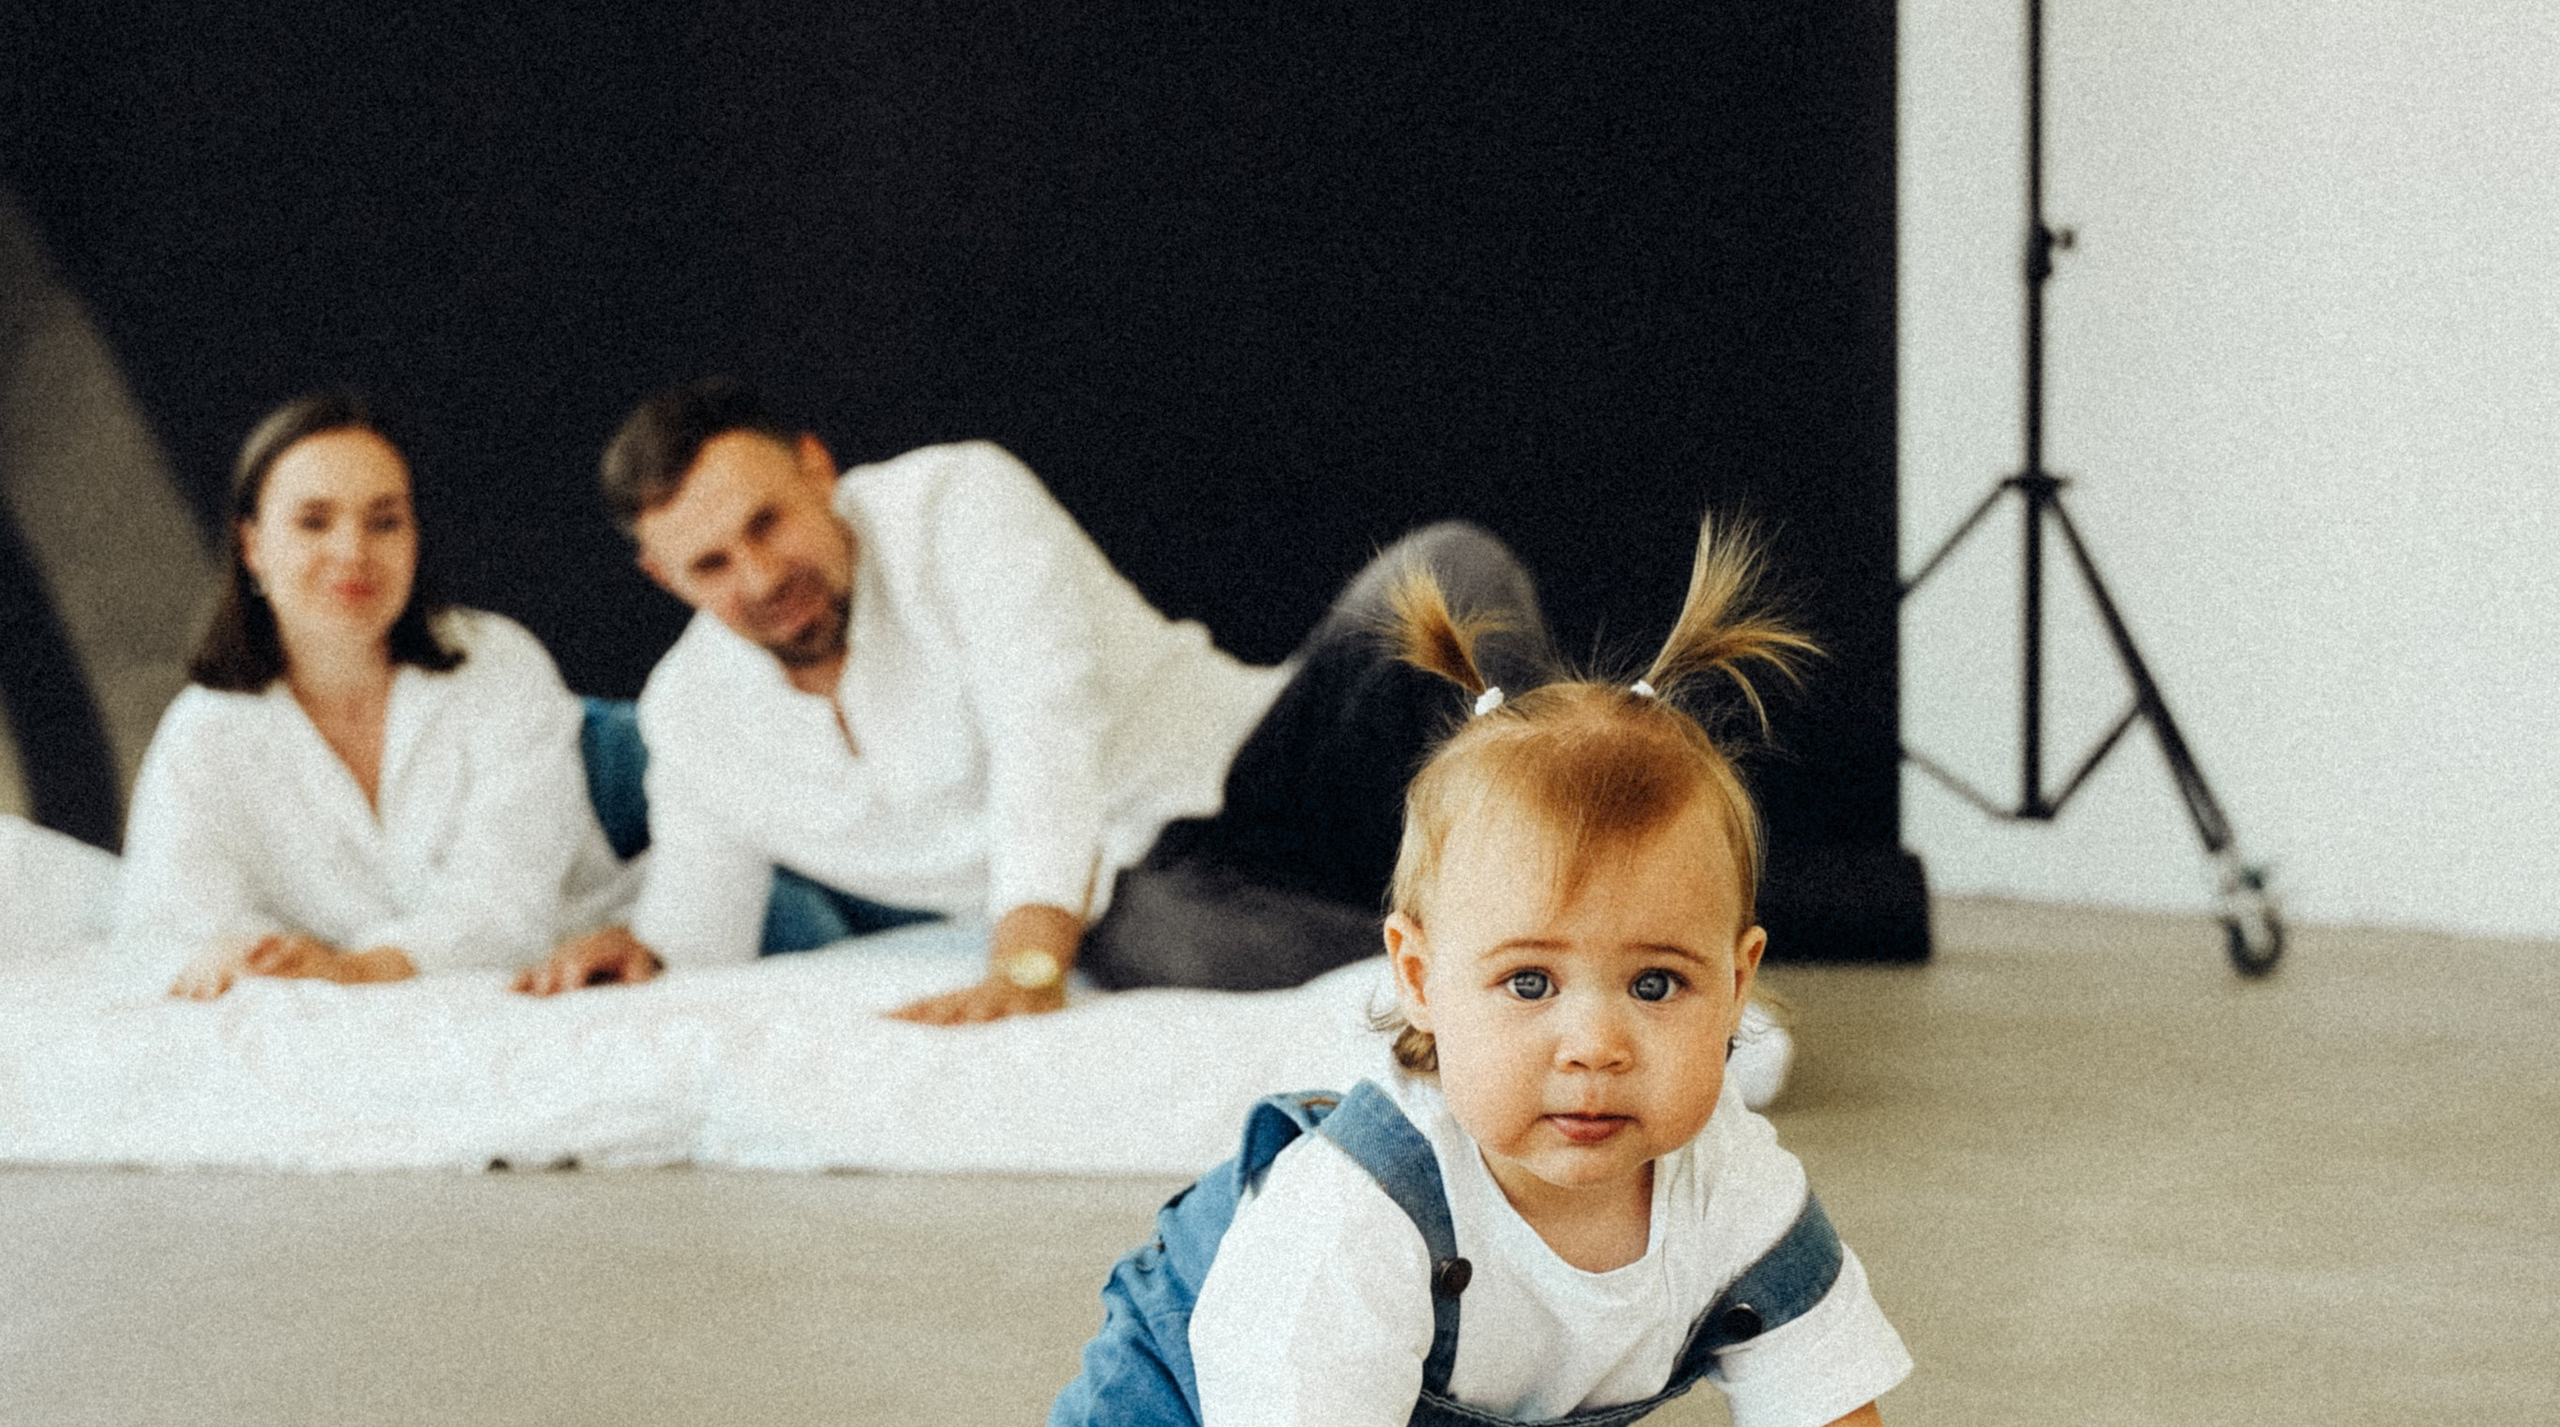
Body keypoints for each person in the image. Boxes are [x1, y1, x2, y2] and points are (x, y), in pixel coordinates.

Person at [841, 521, 2039, 1427]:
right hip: (1199, 1382)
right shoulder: (1363, 1207)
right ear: (1418, 978)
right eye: (1528, 983)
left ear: (1739, 977)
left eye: (1656, 983)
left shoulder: (1740, 1201)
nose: (1593, 1045)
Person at [517, 377, 1553, 1019]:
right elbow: (702, 917)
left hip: (1268, 765)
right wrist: (639, 951)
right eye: (709, 564)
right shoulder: (688, 714)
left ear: (817, 469)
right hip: (1140, 892)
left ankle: (1589, 892)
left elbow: (1043, 726)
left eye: (767, 524)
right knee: (1178, 949)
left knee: (1446, 574)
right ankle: (1506, 973)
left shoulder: (954, 501)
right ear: (662, 578)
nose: (756, 577)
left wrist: (1023, 964)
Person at [115, 394, 632, 997]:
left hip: (593, 849)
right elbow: (170, 923)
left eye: (384, 522)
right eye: (314, 522)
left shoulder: (499, 663)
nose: (352, 551)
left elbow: (505, 909)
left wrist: (353, 970)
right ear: (252, 546)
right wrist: (259, 958)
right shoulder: (203, 730)